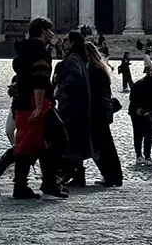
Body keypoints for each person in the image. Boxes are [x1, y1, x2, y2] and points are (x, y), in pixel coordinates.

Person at [0, 16, 67, 199]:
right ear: (43, 30)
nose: (52, 34)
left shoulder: (23, 50)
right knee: (59, 139)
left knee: (32, 144)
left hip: (23, 103)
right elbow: (39, 79)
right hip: (37, 104)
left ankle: (20, 185)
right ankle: (42, 182)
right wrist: (39, 106)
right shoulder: (40, 52)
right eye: (50, 30)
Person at [54, 31, 92, 186]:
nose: (63, 42)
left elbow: (74, 79)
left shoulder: (72, 59)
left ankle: (69, 173)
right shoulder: (80, 58)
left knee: (68, 140)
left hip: (71, 107)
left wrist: (61, 90)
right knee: (75, 141)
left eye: (66, 40)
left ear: (72, 43)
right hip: (78, 106)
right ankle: (78, 176)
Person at [85, 41, 123, 186]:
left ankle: (111, 176)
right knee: (105, 145)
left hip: (96, 112)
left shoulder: (91, 69)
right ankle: (113, 176)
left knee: (100, 146)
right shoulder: (100, 67)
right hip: (102, 110)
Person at [129, 65, 152, 164]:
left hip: (150, 113)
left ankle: (147, 156)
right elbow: (133, 98)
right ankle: (139, 155)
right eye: (150, 70)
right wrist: (138, 108)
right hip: (137, 113)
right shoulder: (140, 83)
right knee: (138, 134)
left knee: (148, 135)